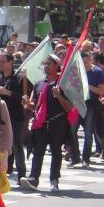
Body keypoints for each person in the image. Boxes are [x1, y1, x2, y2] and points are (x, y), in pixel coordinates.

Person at [21, 55, 72, 192]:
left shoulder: (63, 84)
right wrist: (27, 104)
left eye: (48, 64)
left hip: (57, 123)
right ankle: (33, 178)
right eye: (44, 64)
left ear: (56, 65)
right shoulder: (39, 84)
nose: (45, 66)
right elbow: (34, 105)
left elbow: (69, 107)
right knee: (38, 151)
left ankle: (54, 180)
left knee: (56, 152)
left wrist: (59, 96)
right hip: (41, 124)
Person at [0, 51, 30, 179]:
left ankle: (21, 174)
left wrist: (7, 92)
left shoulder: (20, 78)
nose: (0, 64)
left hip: (15, 116)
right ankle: (5, 170)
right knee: (1, 144)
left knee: (16, 144)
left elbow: (24, 99)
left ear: (10, 62)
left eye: (3, 61)